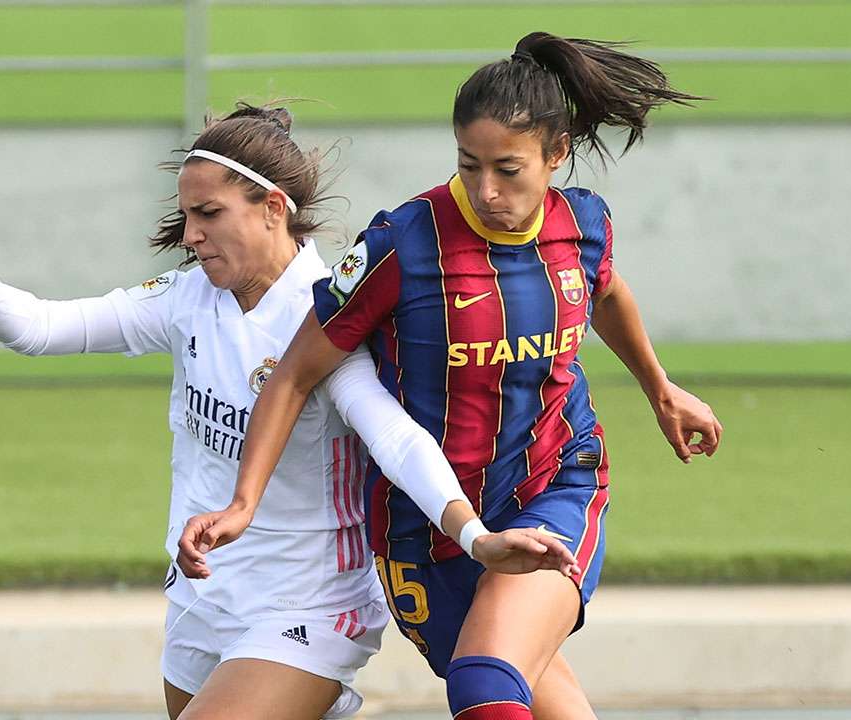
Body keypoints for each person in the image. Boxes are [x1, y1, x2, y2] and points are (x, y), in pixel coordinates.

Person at [0, 104, 575, 720]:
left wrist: (475, 535)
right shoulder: (190, 299)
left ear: (273, 207)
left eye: (208, 215)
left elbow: (394, 436)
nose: (189, 235)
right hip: (202, 599)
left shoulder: (329, 312)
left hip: (308, 607)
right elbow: (45, 329)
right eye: (187, 216)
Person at [176, 34, 724, 719]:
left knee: (485, 682)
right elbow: (293, 375)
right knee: (520, 691)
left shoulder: (583, 224)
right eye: (469, 166)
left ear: (556, 154)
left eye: (508, 170)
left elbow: (606, 293)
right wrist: (243, 502)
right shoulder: (401, 245)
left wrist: (660, 388)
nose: (486, 190)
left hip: (553, 483)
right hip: (423, 525)